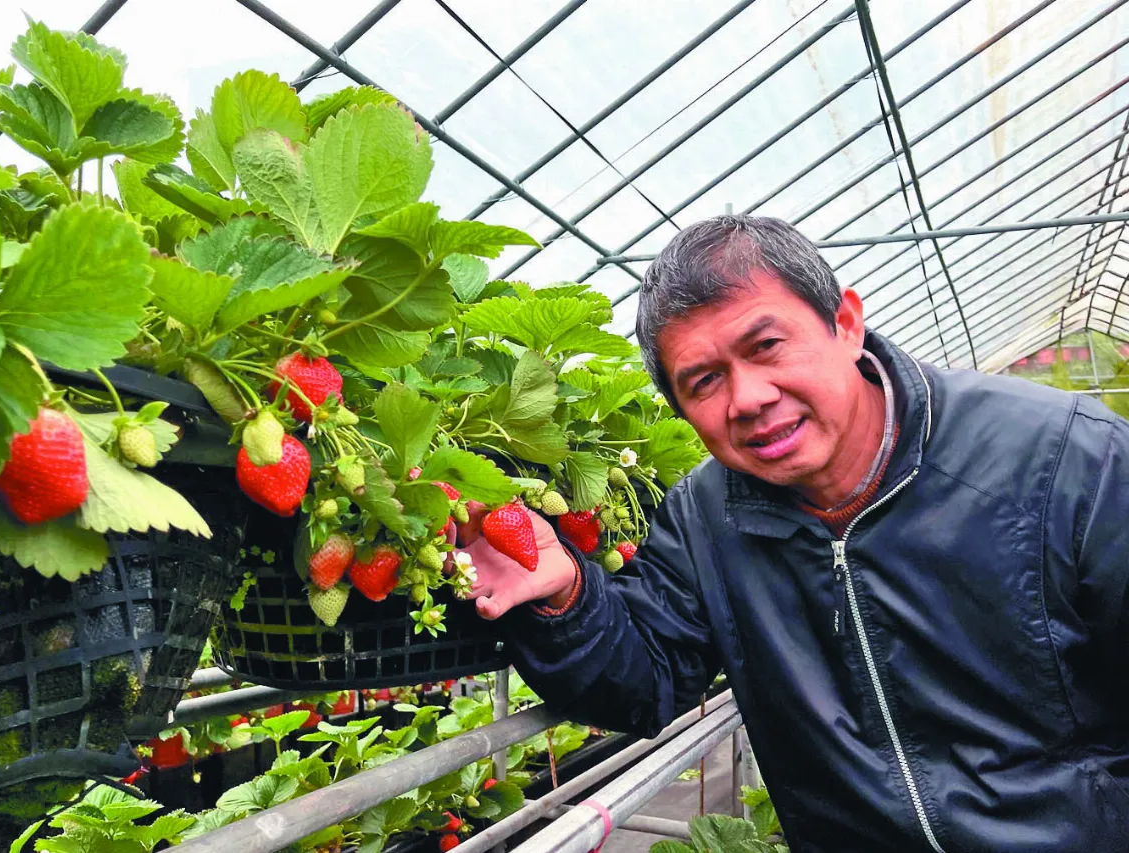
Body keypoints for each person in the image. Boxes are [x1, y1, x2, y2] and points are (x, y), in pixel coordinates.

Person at [451, 216, 1129, 852]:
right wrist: (564, 592)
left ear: (846, 324)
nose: (747, 397)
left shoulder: (1068, 460)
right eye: (705, 380)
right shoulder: (705, 517)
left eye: (765, 345)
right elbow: (644, 679)